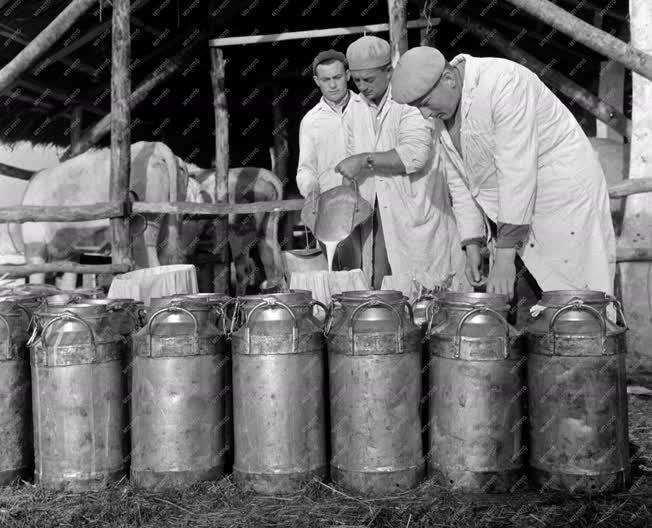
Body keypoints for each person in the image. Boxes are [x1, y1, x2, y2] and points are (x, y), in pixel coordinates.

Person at [390, 46, 616, 306]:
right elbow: (461, 176)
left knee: (580, 304)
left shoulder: (504, 83)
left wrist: (505, 258)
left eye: (425, 105)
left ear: (449, 79)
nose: (425, 115)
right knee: (532, 308)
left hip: (562, 202)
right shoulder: (445, 107)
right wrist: (472, 241)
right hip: (515, 215)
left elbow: (516, 171)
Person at [334, 36, 468, 293]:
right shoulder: (354, 109)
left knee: (429, 292)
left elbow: (414, 155)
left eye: (369, 80)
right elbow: (351, 158)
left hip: (416, 210)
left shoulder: (409, 101)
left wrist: (363, 160)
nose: (362, 87)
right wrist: (345, 199)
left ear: (389, 71)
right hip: (375, 215)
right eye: (357, 80)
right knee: (381, 289)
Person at [295, 49, 362, 270]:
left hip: (370, 203)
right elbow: (305, 169)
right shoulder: (311, 121)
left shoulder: (365, 109)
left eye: (337, 77)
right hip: (332, 211)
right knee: (340, 275)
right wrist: (311, 189)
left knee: (374, 272)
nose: (332, 85)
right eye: (326, 79)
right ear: (317, 81)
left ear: (348, 74)